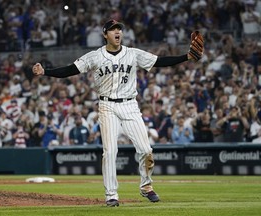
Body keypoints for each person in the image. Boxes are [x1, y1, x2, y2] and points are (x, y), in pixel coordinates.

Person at [32, 19, 203, 207]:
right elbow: (69, 70)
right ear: (105, 34)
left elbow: (160, 61)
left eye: (119, 29)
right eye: (113, 30)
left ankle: (146, 187)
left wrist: (186, 57)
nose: (117, 32)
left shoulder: (132, 54)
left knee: (146, 150)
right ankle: (111, 195)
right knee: (110, 151)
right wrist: (45, 72)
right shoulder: (95, 56)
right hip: (107, 106)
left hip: (130, 105)